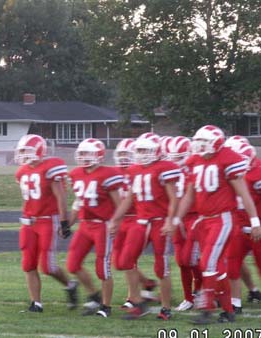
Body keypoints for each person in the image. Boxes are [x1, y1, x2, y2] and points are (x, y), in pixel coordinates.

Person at [174, 125, 261, 324]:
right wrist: (177, 218)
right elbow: (190, 195)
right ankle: (228, 311)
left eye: (203, 142)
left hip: (222, 218)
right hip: (204, 220)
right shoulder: (194, 161)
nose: (199, 145)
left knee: (208, 263)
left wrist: (255, 221)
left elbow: (244, 194)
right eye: (198, 141)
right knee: (218, 266)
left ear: (216, 143)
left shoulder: (228, 158)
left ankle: (206, 308)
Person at [109, 132, 181, 320]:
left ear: (157, 151)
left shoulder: (165, 168)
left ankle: (166, 309)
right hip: (140, 222)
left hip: (158, 222)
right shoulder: (134, 170)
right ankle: (138, 301)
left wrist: (170, 219)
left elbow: (174, 198)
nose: (141, 153)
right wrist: (116, 219)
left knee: (161, 267)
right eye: (139, 150)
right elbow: (129, 198)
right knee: (125, 261)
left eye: (145, 150)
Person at [14, 134, 78, 313]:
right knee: (28, 264)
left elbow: (60, 195)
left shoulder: (51, 167)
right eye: (21, 151)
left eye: (27, 151)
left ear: (39, 151)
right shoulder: (21, 172)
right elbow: (27, 199)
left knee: (48, 267)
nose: (23, 155)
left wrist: (64, 221)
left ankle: (70, 285)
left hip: (47, 220)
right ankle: (36, 303)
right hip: (28, 222)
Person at [67, 138, 123, 317]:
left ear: (99, 155)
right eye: (81, 153)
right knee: (72, 264)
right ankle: (94, 295)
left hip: (103, 225)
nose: (83, 157)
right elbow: (79, 201)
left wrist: (115, 221)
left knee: (103, 268)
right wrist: (68, 222)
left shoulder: (108, 173)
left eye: (88, 153)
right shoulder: (76, 173)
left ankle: (106, 306)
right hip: (85, 225)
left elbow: (119, 203)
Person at [112, 138, 158, 310]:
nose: (124, 158)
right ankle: (147, 283)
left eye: (127, 154)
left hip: (137, 218)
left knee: (129, 260)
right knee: (118, 262)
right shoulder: (113, 172)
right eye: (121, 154)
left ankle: (133, 297)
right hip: (121, 218)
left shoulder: (140, 171)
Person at [224, 139, 261, 314]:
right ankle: (235, 303)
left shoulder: (257, 173)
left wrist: (257, 223)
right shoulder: (224, 172)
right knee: (232, 263)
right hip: (237, 226)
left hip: (256, 227)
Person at [167, 136, 202, 311]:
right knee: (181, 260)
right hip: (177, 217)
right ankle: (189, 297)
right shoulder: (167, 172)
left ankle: (202, 290)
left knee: (190, 258)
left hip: (194, 217)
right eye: (172, 157)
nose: (175, 162)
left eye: (179, 157)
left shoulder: (196, 169)